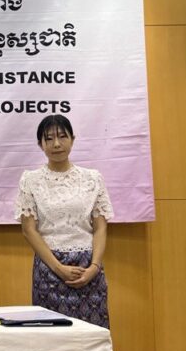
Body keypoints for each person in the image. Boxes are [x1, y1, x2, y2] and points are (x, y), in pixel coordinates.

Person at [15, 114, 113, 328]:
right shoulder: (30, 180)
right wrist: (58, 268)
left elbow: (100, 227)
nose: (56, 144)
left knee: (92, 333)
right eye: (49, 138)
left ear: (72, 139)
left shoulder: (92, 178)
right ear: (40, 144)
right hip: (49, 267)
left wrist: (94, 266)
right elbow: (29, 230)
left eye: (62, 136)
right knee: (50, 333)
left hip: (88, 267)